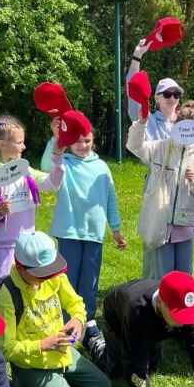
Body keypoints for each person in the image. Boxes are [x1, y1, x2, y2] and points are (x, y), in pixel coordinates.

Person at [0, 231, 112, 387]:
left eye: (50, 271)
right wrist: (43, 345)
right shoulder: (8, 294)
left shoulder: (53, 275)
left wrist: (77, 320)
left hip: (63, 352)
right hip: (31, 364)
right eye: (40, 274)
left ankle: (59, 381)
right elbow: (6, 348)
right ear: (21, 268)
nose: (47, 277)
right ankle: (24, 382)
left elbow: (75, 303)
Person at [39, 110, 127, 355]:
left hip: (93, 235)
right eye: (77, 141)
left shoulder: (102, 168)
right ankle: (65, 323)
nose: (83, 145)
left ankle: (87, 323)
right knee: (65, 281)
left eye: (87, 140)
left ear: (93, 141)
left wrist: (116, 229)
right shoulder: (64, 163)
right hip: (68, 232)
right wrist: (56, 140)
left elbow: (111, 199)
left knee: (88, 282)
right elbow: (47, 165)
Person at [127, 100, 194, 279]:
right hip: (161, 224)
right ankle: (157, 305)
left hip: (186, 226)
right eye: (183, 127)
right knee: (162, 277)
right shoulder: (161, 148)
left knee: (183, 277)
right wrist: (141, 124)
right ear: (176, 125)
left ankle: (180, 307)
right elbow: (135, 146)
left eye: (193, 128)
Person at [0, 116, 65, 305]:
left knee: (27, 294)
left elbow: (51, 183)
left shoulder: (25, 170)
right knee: (2, 294)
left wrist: (58, 159)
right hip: (0, 248)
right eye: (19, 142)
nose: (23, 147)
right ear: (2, 144)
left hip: (27, 247)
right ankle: (0, 333)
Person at [125, 38, 182, 141]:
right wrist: (137, 55)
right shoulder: (147, 120)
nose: (173, 98)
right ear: (157, 98)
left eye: (177, 94)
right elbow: (132, 87)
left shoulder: (185, 124)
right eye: (167, 94)